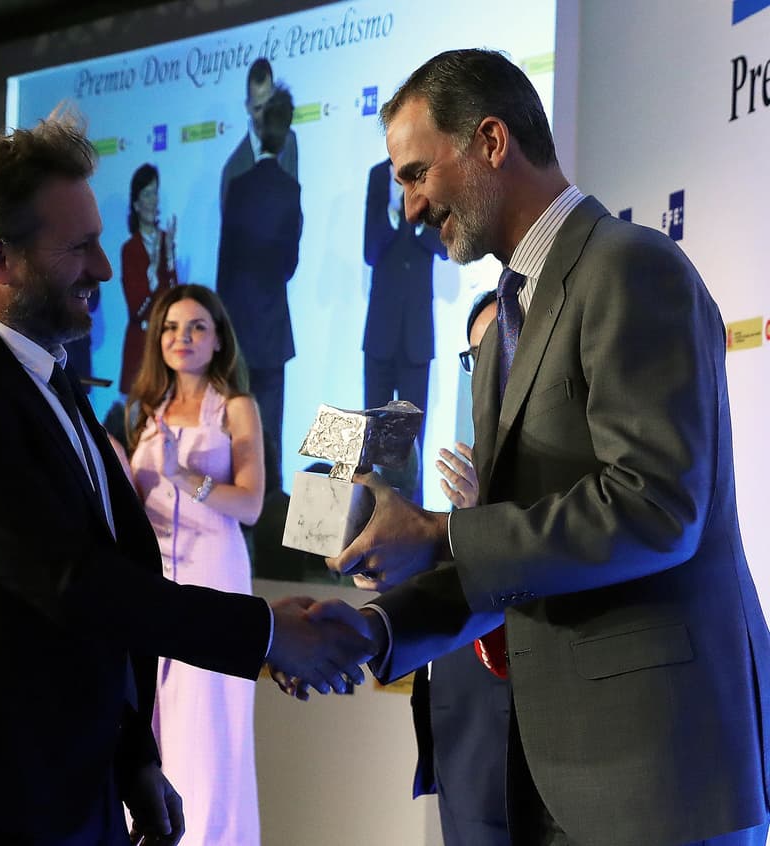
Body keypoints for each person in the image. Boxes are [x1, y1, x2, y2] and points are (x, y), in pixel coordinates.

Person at [311, 48, 770, 846]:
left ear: (491, 141)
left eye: (418, 174)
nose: (411, 208)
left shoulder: (630, 267)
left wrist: (442, 533)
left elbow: (657, 507)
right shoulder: (503, 328)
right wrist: (378, 630)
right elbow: (513, 549)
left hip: (660, 782)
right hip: (555, 776)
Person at [0, 110, 374, 846]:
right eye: (79, 248)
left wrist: (133, 756)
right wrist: (269, 634)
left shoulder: (50, 377)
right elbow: (73, 585)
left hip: (83, 790)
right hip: (0, 806)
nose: (105, 269)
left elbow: (109, 573)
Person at [124, 284, 263, 846]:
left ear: (218, 338)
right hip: (153, 580)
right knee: (153, 720)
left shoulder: (235, 407)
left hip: (213, 573)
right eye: (171, 328)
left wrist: (188, 478)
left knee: (206, 729)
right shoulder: (147, 413)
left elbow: (251, 504)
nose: (182, 338)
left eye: (197, 327)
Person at [407, 293, 510, 846]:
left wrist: (477, 519)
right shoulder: (463, 441)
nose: (485, 367)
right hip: (461, 712)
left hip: (532, 711)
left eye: (496, 347)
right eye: (474, 355)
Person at [215, 85, 302, 491]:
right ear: (285, 137)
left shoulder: (238, 184)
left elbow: (225, 262)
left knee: (235, 429)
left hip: (237, 329)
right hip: (272, 328)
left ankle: (238, 505)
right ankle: (271, 525)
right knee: (271, 428)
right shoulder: (290, 190)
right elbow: (289, 265)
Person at [362, 157, 448, 457]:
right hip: (379, 335)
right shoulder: (377, 176)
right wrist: (394, 213)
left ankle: (412, 506)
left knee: (412, 446)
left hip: (417, 335)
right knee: (371, 441)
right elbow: (370, 251)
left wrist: (417, 219)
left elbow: (445, 247)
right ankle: (369, 505)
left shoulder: (431, 178)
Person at [119, 164, 177, 394]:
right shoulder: (130, 249)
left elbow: (174, 298)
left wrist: (170, 258)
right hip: (139, 345)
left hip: (165, 346)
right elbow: (136, 308)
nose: (153, 200)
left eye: (155, 192)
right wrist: (152, 271)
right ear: (136, 203)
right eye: (147, 194)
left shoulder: (165, 240)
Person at [219, 58, 298, 212]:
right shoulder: (233, 170)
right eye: (258, 108)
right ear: (247, 107)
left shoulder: (289, 141)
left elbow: (295, 210)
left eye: (268, 105)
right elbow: (231, 234)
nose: (264, 116)